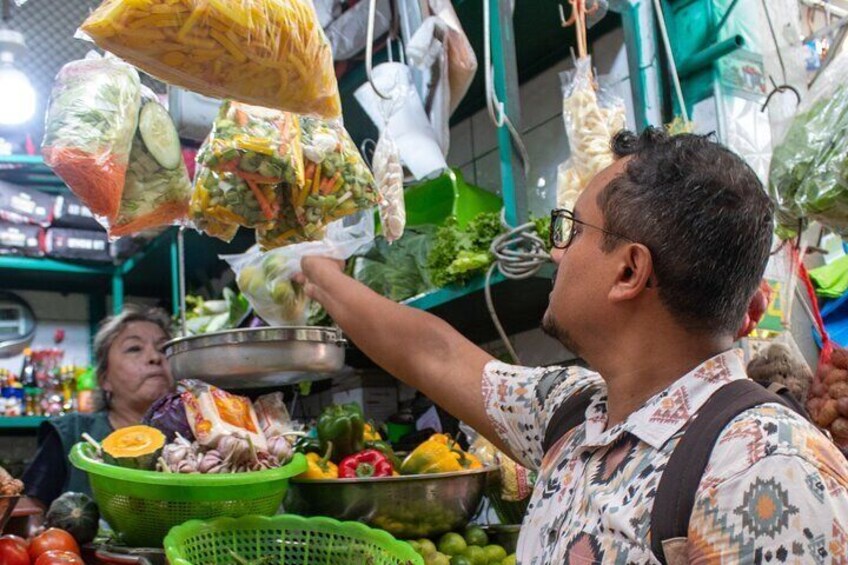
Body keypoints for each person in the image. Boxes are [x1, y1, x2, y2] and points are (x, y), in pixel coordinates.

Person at [297, 128, 848, 563]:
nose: (557, 252)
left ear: (629, 270)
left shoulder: (766, 470)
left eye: (573, 229)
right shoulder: (577, 411)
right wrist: (320, 271)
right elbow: (432, 354)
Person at [22, 305, 174, 510]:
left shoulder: (195, 441)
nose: (155, 357)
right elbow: (28, 512)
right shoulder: (72, 435)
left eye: (164, 348)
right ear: (105, 380)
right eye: (134, 348)